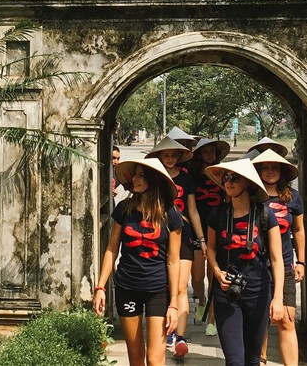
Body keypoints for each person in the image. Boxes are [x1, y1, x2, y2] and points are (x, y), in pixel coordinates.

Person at [94, 157, 183, 366]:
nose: (135, 179)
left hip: (157, 290)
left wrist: (174, 303)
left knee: (154, 359)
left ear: (153, 180)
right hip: (127, 286)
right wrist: (100, 287)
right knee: (135, 356)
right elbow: (112, 249)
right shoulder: (124, 209)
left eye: (141, 175)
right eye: (135, 174)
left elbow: (174, 260)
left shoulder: (170, 214)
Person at [205, 158, 285, 366]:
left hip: (258, 292)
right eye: (225, 178)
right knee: (234, 360)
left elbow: (277, 259)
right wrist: (217, 272)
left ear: (248, 183)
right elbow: (211, 248)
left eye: (234, 178)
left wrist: (278, 298)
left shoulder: (265, 215)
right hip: (227, 292)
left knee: (252, 359)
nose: (228, 182)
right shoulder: (217, 214)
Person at [146, 136, 203, 358]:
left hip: (184, 236)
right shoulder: (154, 177)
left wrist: (201, 239)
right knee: (164, 286)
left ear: (179, 157)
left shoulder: (186, 179)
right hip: (158, 237)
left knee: (180, 287)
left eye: (173, 155)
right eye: (166, 155)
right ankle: (165, 328)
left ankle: (180, 335)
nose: (170, 159)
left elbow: (193, 210)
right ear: (159, 156)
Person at [252, 149, 305, 366]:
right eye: (265, 167)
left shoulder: (292, 197)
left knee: (286, 320)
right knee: (259, 321)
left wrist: (301, 261)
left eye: (275, 167)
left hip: (285, 264)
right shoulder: (251, 196)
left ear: (282, 171)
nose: (270, 171)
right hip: (255, 266)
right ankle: (260, 361)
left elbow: (299, 230)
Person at [189, 136, 231, 336]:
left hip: (219, 228)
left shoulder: (223, 176)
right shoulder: (192, 177)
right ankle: (201, 300)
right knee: (197, 276)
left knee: (214, 274)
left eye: (212, 151)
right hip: (197, 228)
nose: (209, 155)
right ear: (199, 155)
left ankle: (212, 319)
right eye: (205, 152)